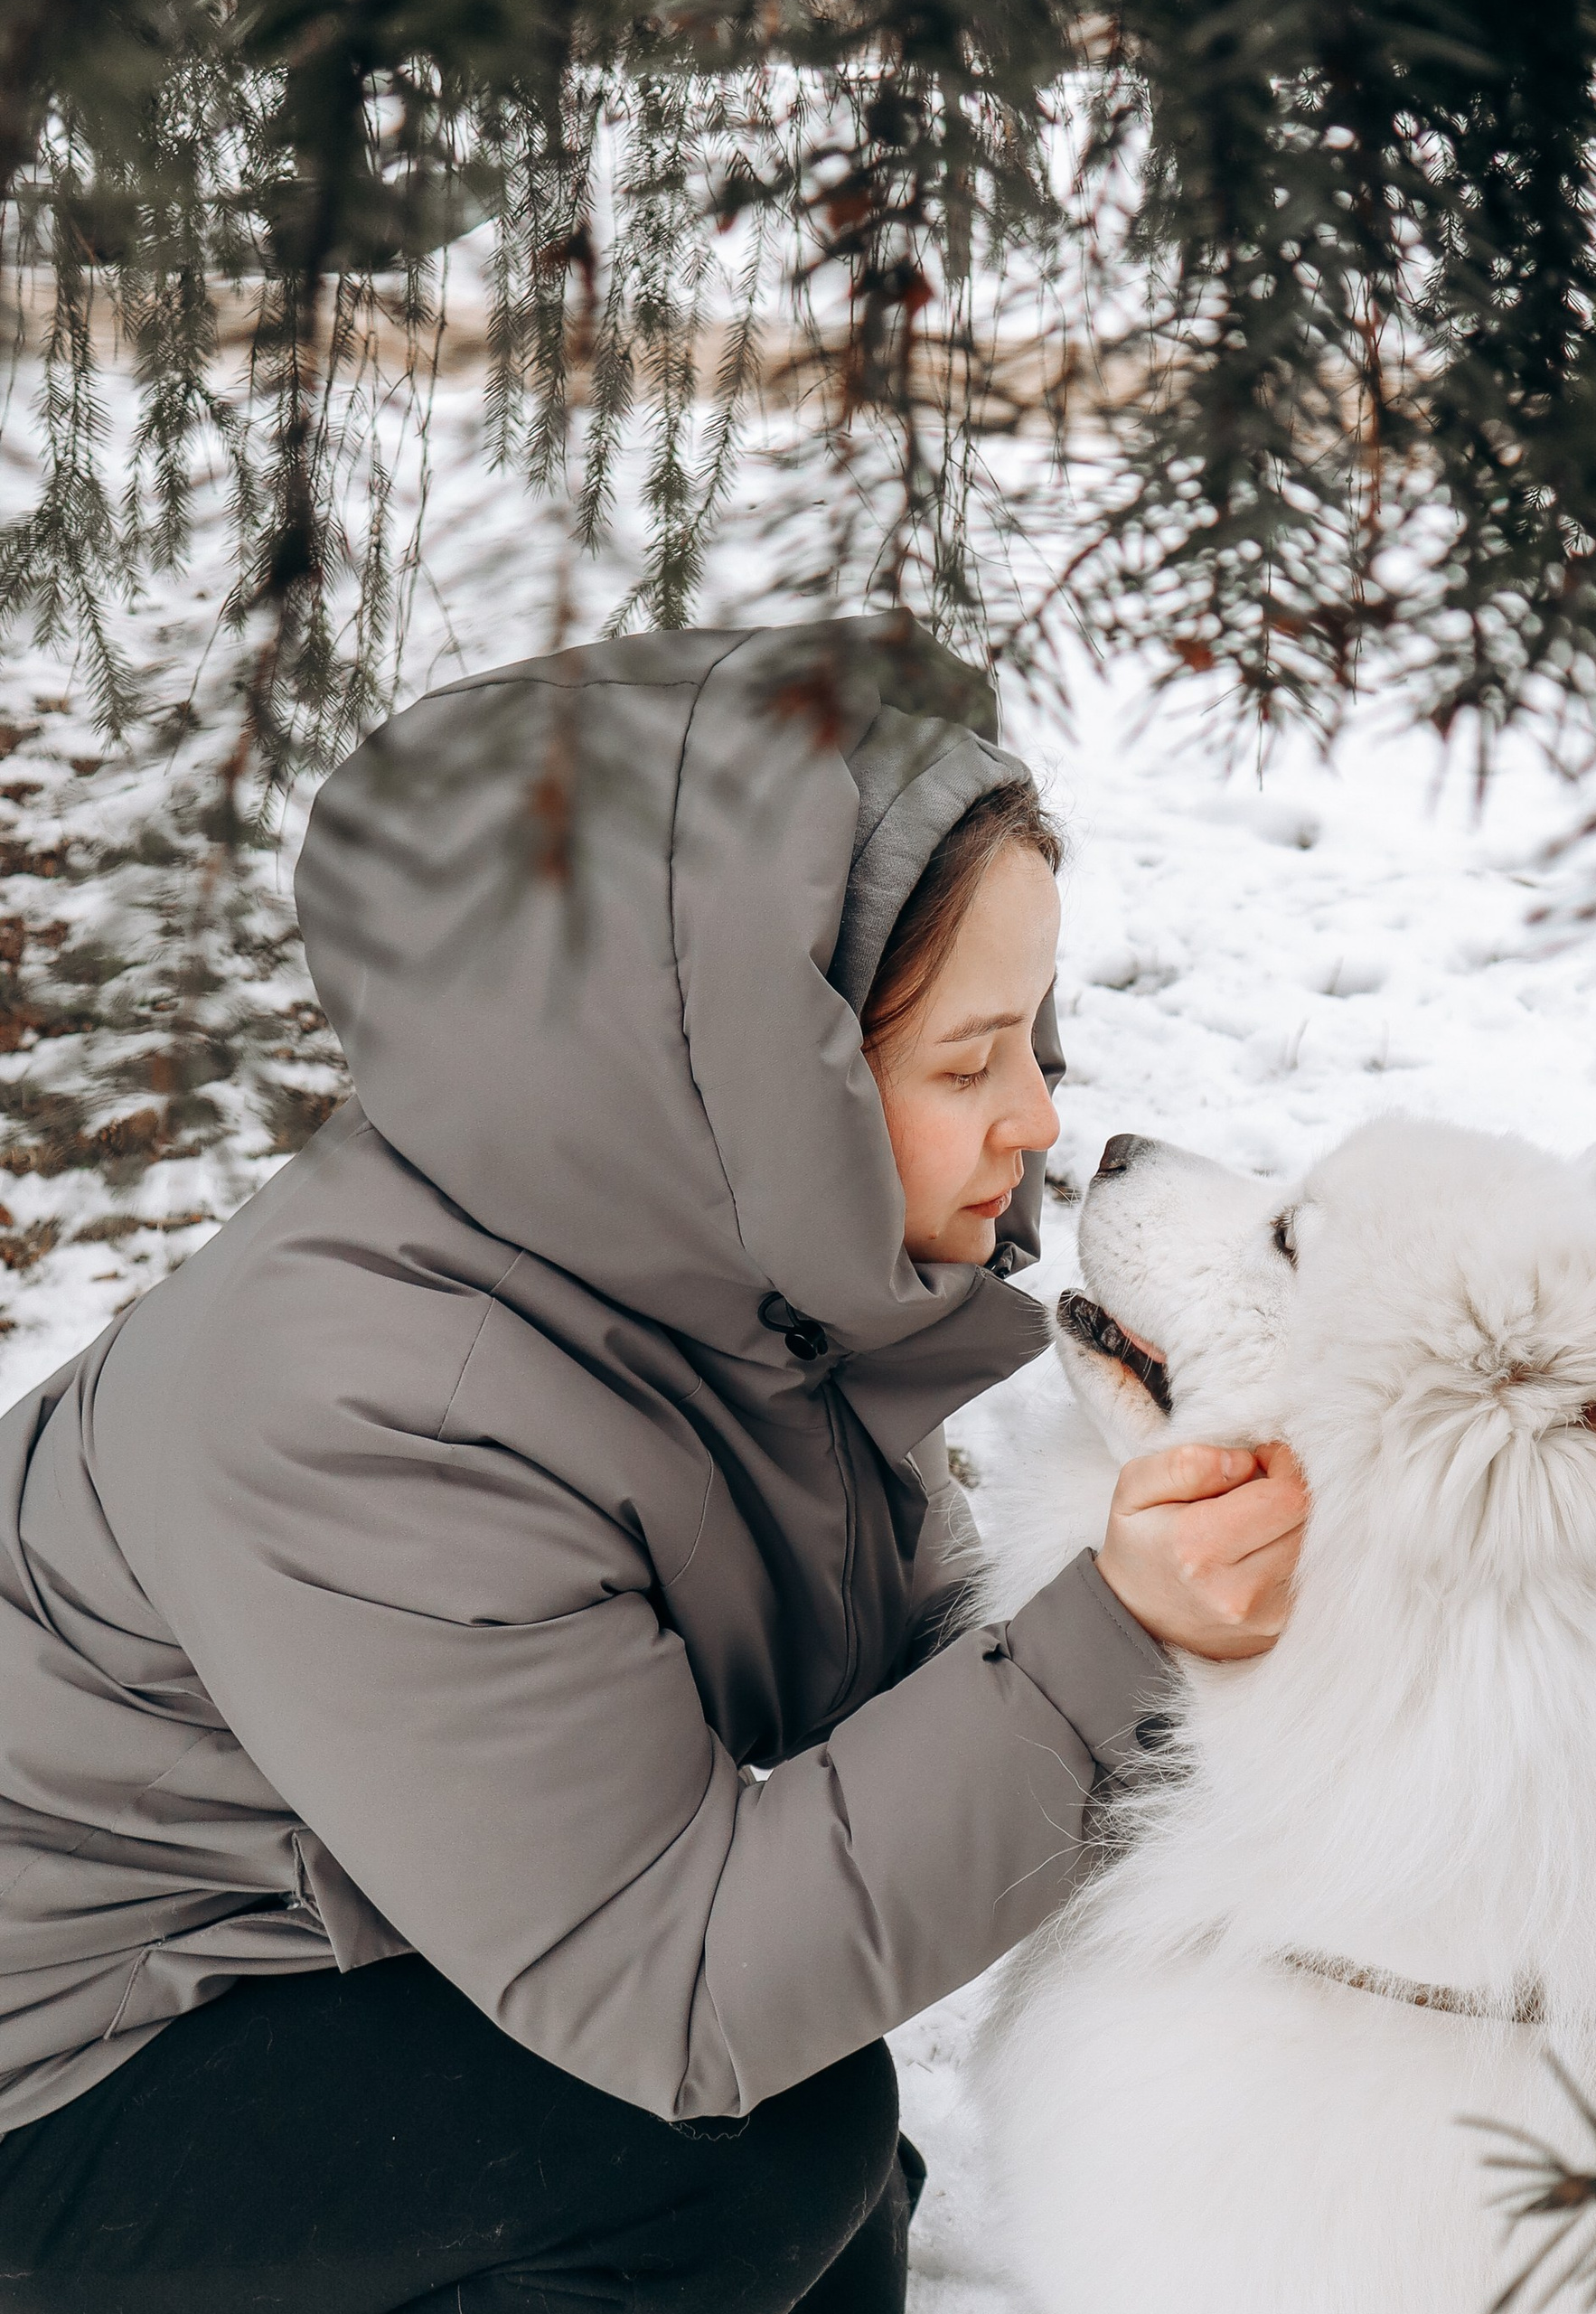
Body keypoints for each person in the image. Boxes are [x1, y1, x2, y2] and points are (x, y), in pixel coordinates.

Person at [0, 616, 1307, 2312]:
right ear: (765, 1079)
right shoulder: (383, 1414)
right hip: (70, 2054)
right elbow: (675, 1991)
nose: (1040, 1120)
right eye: (967, 1061)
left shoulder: (720, 1269)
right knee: (736, 2154)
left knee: (824, 2200)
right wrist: (1120, 1639)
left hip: (322, 1944)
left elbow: (898, 1679)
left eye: (1032, 1041)